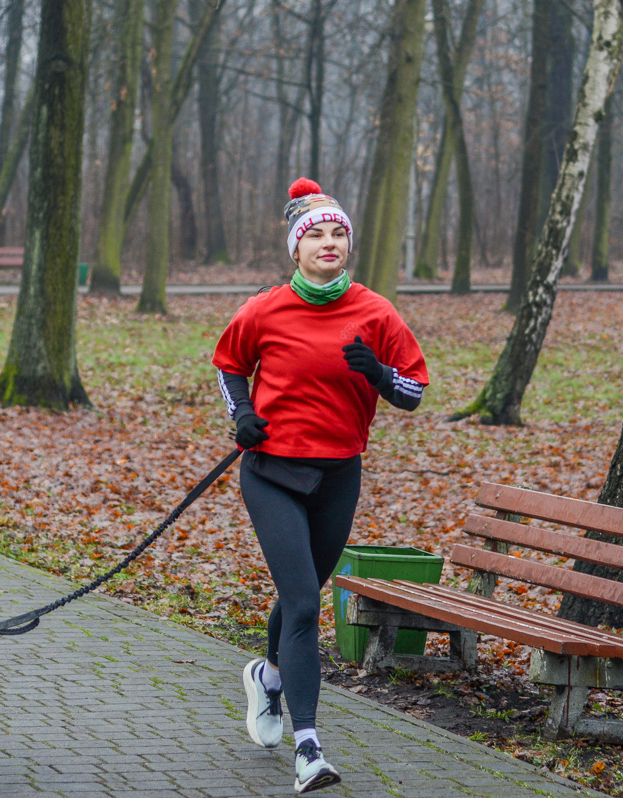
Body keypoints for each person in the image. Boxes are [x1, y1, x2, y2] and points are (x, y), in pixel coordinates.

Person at [212, 178, 429, 793]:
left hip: (338, 474)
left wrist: (380, 374)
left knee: (299, 592)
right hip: (271, 474)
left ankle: (268, 677)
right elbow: (228, 365)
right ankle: (310, 748)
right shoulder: (264, 309)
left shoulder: (376, 312)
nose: (329, 244)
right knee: (306, 603)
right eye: (317, 236)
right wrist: (243, 415)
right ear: (296, 249)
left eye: (339, 235)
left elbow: (412, 393)